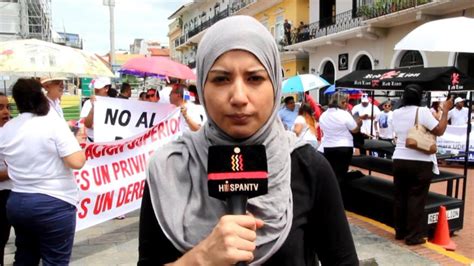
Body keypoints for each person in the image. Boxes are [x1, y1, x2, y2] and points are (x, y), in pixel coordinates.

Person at [138, 15, 358, 265]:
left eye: (254, 78)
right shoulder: (168, 168)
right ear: (202, 87)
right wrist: (201, 258)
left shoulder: (309, 167)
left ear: (275, 84)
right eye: (221, 79)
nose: (239, 97)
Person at [0, 78, 86, 265]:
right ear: (40, 96)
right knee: (55, 260)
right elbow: (77, 161)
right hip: (54, 202)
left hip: (18, 203)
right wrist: (79, 144)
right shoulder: (52, 123)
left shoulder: (8, 128)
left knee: (25, 257)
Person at [391, 84, 452, 245]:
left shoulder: (395, 113)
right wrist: (445, 111)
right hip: (420, 161)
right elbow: (439, 130)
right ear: (420, 97)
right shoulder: (422, 111)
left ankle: (400, 231)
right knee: (416, 198)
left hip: (399, 158)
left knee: (400, 197)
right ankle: (413, 236)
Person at [318, 92, 362, 183]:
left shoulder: (323, 115)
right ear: (342, 102)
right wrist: (359, 124)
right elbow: (354, 129)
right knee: (341, 174)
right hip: (344, 146)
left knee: (331, 174)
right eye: (346, 102)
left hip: (328, 146)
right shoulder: (344, 114)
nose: (347, 104)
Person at [80, 77, 111, 143]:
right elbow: (87, 124)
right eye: (94, 89)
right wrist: (93, 108)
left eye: (98, 90)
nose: (95, 91)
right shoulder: (88, 103)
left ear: (106, 88)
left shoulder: (114, 104)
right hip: (91, 142)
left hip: (108, 143)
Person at [0, 92, 11, 266]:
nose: (6, 112)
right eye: (0, 108)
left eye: (8, 107)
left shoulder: (8, 132)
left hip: (10, 195)